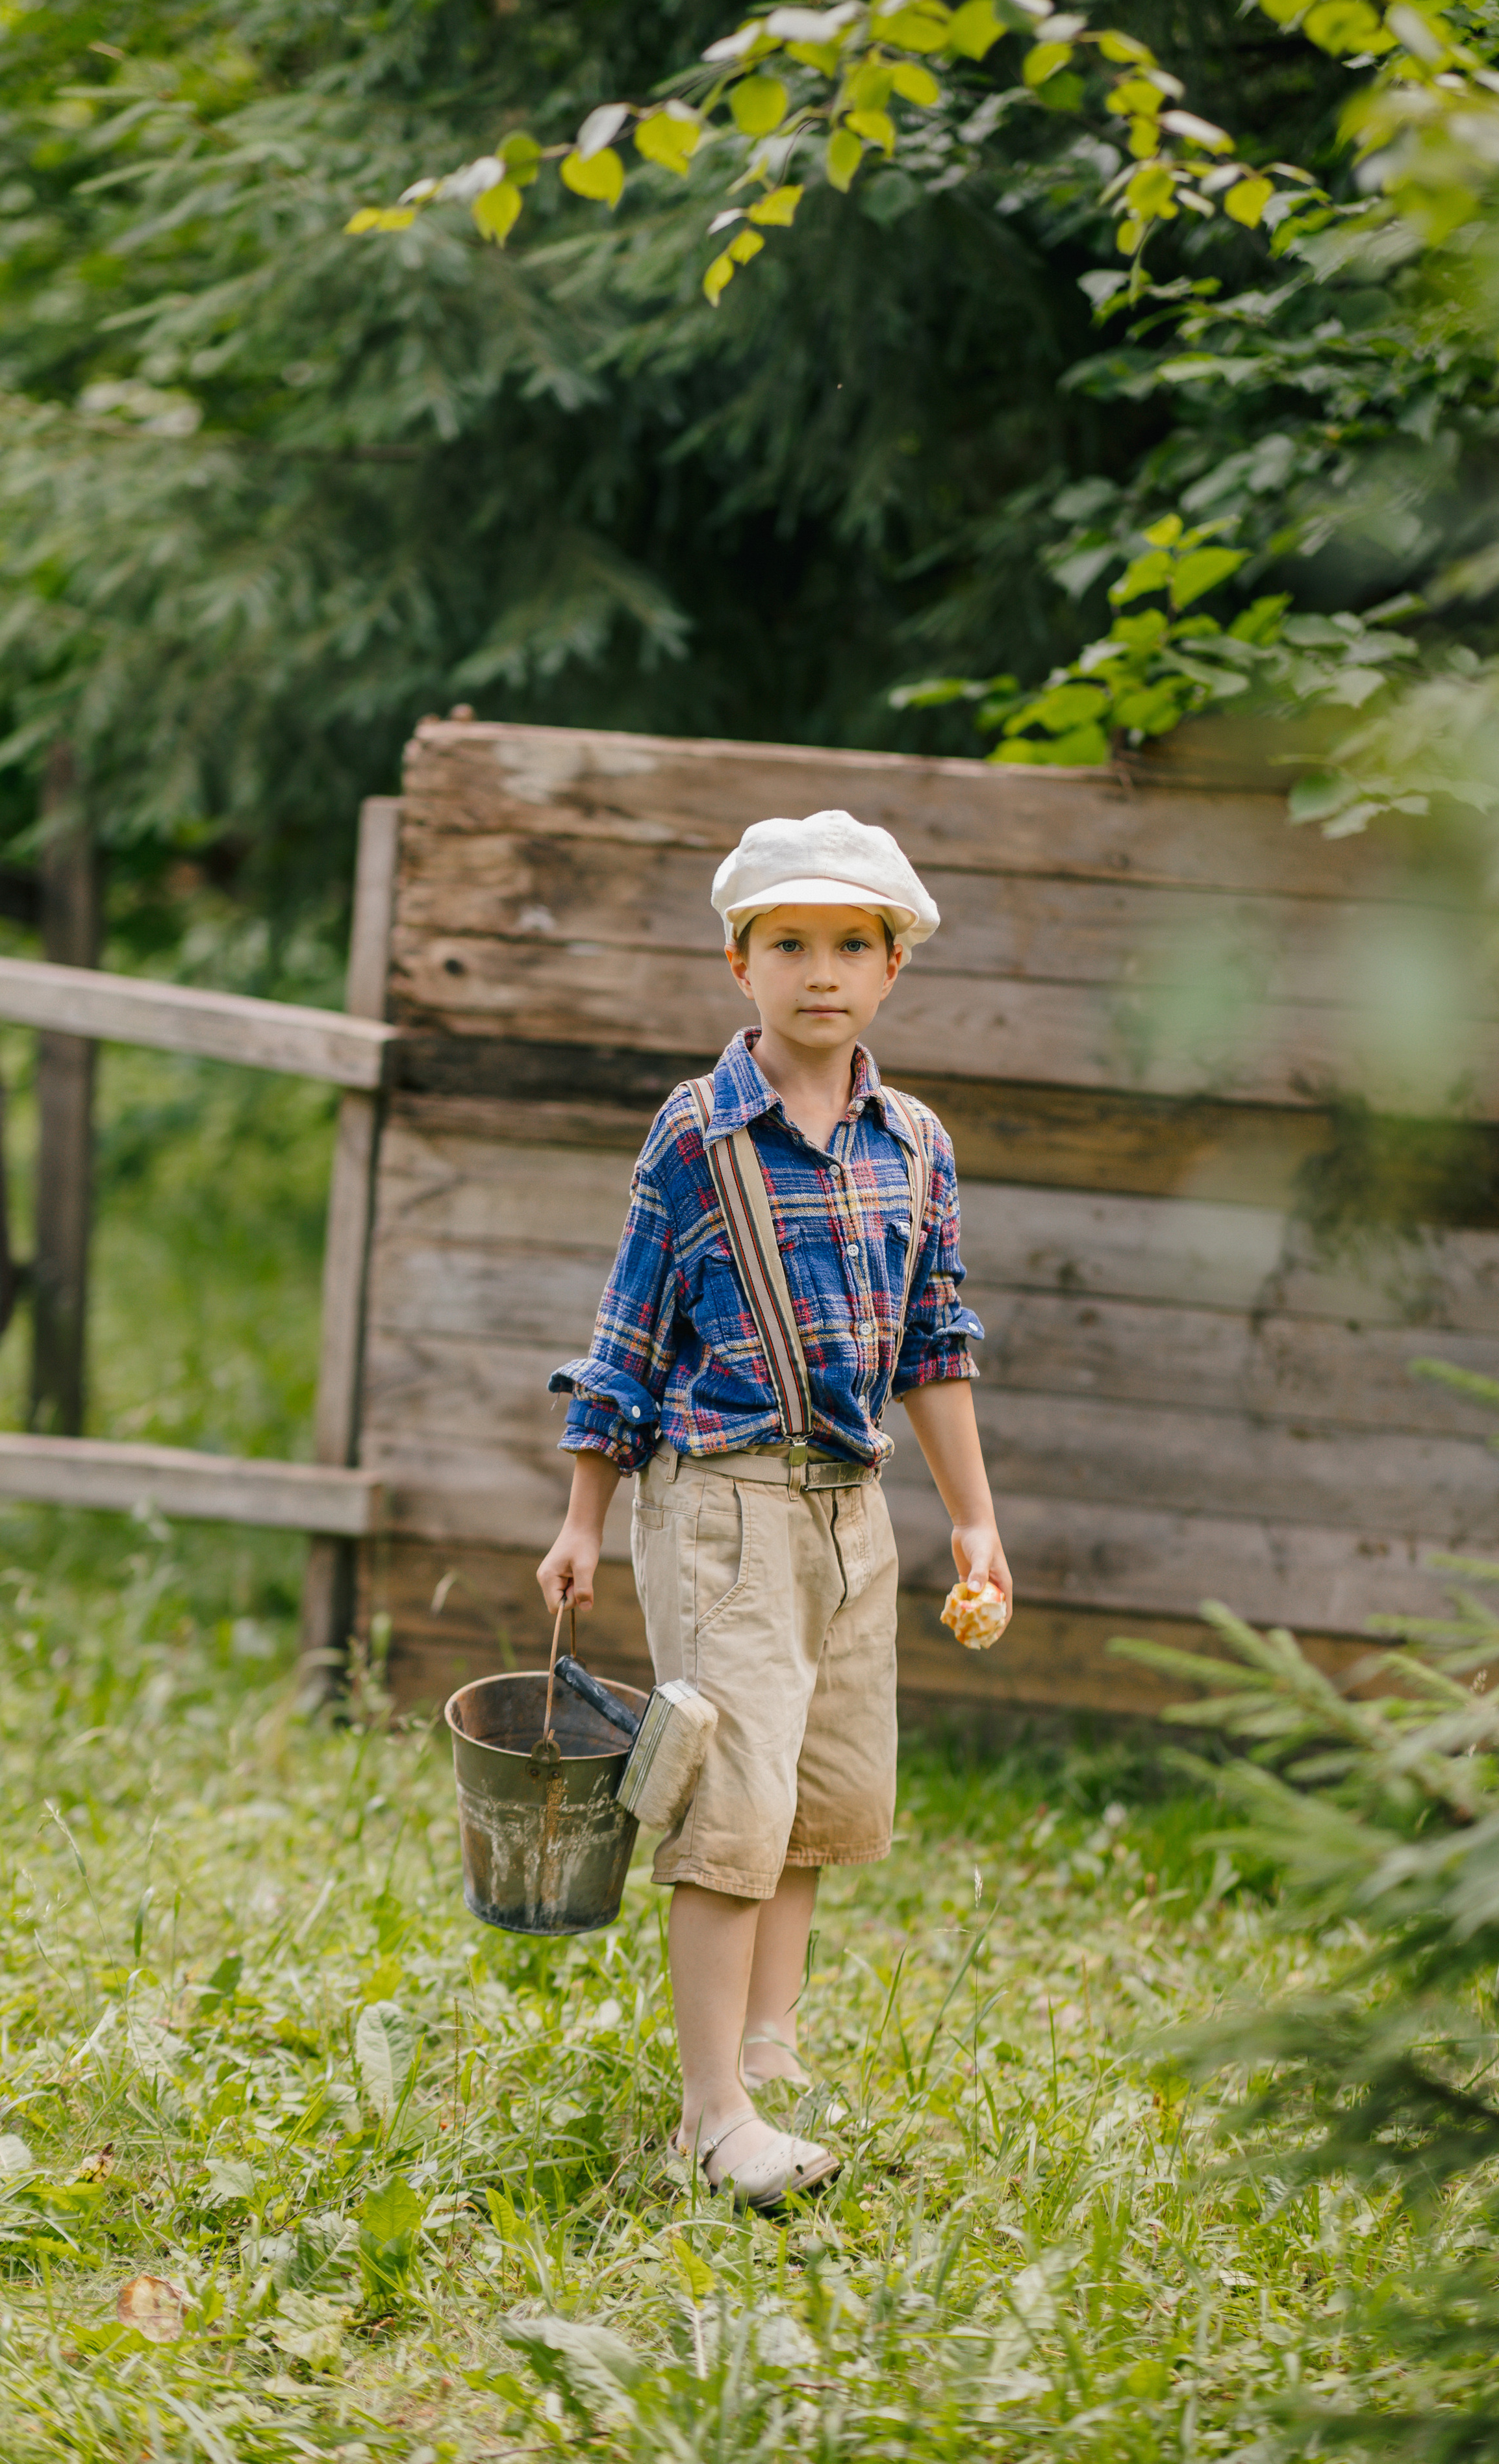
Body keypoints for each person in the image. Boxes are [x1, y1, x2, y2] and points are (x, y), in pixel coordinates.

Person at [538, 809, 1013, 2208]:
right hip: (722, 1510)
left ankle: (765, 2044)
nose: (820, 970)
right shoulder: (696, 1135)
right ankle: (708, 2118)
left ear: (891, 969)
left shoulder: (911, 1140)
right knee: (730, 1810)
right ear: (737, 963)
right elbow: (625, 1333)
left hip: (848, 1512)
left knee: (816, 1799)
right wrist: (582, 1513)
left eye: (850, 945)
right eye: (787, 944)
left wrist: (973, 1520)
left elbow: (935, 1342)